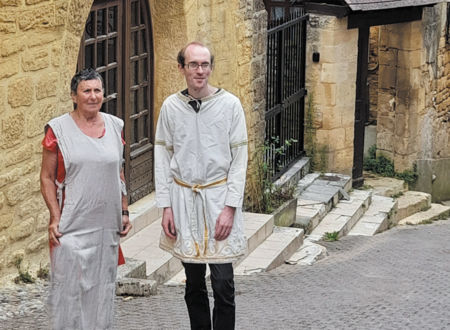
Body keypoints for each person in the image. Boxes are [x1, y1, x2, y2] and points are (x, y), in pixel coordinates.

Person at [155, 41, 248, 330]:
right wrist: (166, 207)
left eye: (205, 64)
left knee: (223, 284)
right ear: (182, 68)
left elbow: (239, 160)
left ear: (211, 67)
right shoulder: (171, 107)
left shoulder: (230, 105)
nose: (200, 71)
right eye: (193, 64)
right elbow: (162, 155)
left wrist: (230, 208)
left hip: (218, 200)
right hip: (184, 202)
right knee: (193, 284)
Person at [40, 68, 132, 329]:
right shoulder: (57, 130)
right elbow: (47, 177)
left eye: (97, 90)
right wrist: (54, 218)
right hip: (71, 225)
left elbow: (119, 172)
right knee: (70, 294)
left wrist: (124, 211)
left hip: (105, 226)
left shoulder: (115, 126)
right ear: (74, 95)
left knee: (102, 293)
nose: (93, 96)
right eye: (86, 91)